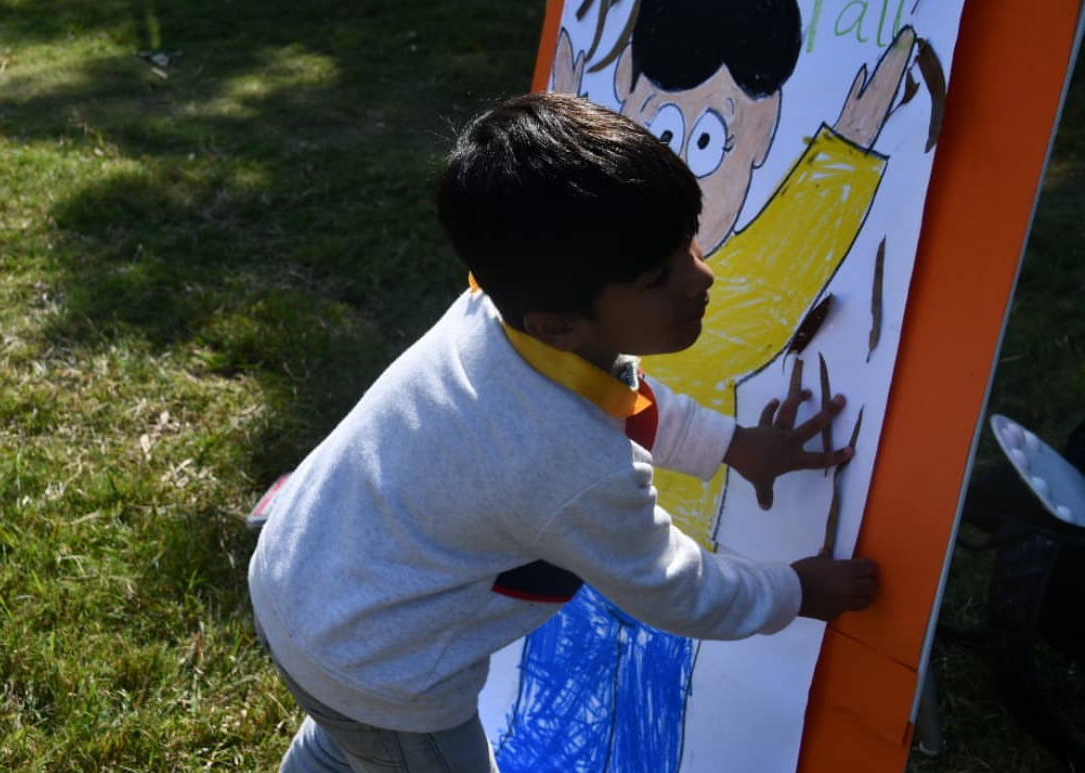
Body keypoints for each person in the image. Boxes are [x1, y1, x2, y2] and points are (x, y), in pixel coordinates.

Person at [247, 92, 878, 773]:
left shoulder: (498, 315)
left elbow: (618, 395)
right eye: (659, 276)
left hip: (297, 586)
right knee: (383, 747)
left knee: (344, 744)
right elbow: (674, 587)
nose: (703, 275)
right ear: (560, 323)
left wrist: (734, 447)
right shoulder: (572, 460)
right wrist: (797, 590)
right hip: (383, 677)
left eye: (687, 245)